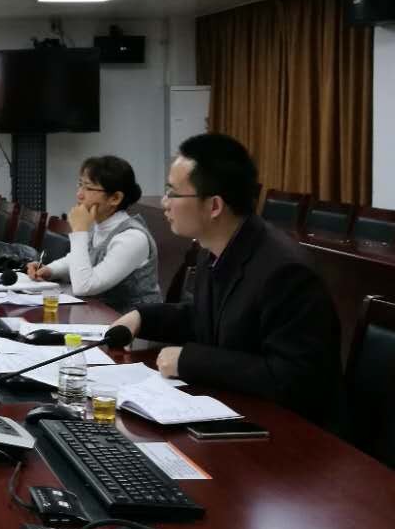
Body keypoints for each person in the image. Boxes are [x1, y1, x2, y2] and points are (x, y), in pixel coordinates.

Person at [110, 133, 342, 425]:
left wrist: (190, 361)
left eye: (173, 193)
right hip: (236, 410)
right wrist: (141, 317)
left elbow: (294, 377)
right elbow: (204, 318)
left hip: (288, 432)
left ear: (214, 206)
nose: (165, 203)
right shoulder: (214, 250)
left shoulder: (285, 272)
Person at [25, 155, 161, 312]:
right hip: (100, 316)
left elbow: (85, 287)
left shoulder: (132, 238)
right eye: (80, 185)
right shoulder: (99, 225)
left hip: (134, 323)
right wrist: (50, 270)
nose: (79, 195)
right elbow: (81, 259)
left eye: (88, 188)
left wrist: (78, 231)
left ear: (115, 198)